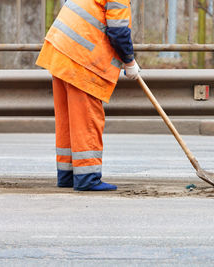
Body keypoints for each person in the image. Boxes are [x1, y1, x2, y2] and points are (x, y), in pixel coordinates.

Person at [36, 0, 140, 191]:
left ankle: (67, 175)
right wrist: (129, 61)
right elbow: (118, 32)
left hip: (61, 51)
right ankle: (87, 178)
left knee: (68, 120)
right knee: (87, 120)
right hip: (82, 59)